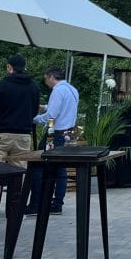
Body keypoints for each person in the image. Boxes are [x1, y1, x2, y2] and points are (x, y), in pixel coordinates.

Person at [0, 55, 39, 224]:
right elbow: (34, 111)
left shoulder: (1, 86)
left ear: (9, 67)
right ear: (24, 67)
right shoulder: (33, 87)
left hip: (0, 134)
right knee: (18, 173)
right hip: (23, 136)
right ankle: (15, 210)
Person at [26, 66, 80, 216]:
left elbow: (52, 115)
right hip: (68, 133)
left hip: (55, 134)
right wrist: (43, 106)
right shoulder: (72, 89)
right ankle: (57, 204)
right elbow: (61, 108)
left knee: (38, 165)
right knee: (60, 169)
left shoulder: (57, 90)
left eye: (45, 79)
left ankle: (36, 204)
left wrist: (34, 119)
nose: (46, 82)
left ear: (51, 77)